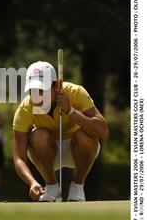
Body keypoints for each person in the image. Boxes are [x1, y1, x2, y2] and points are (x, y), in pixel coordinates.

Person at [13, 61, 109, 202]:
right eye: (33, 91)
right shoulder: (26, 108)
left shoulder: (75, 92)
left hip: (78, 149)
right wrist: (32, 182)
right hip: (46, 154)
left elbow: (103, 132)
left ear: (56, 86)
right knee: (38, 135)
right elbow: (19, 158)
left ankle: (77, 186)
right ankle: (51, 186)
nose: (38, 97)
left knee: (85, 136)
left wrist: (71, 111)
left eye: (42, 90)